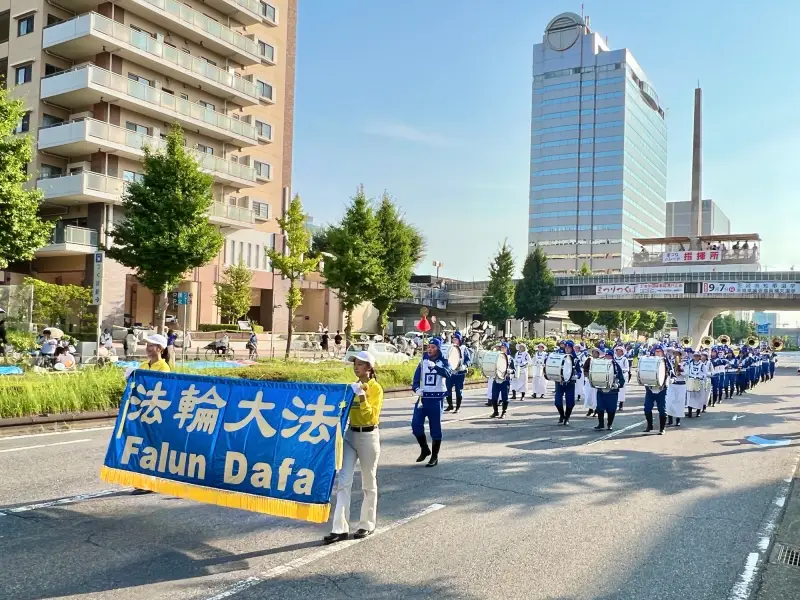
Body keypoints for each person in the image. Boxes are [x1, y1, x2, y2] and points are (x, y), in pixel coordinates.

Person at [325, 351, 384, 545]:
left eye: (360, 364)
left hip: (368, 436)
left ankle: (367, 524)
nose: (356, 367)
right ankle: (339, 528)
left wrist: (362, 397)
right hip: (350, 435)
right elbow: (340, 410)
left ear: (369, 367)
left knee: (368, 481)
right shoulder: (352, 387)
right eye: (355, 364)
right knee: (343, 481)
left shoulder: (375, 389)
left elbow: (371, 417)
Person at [411, 337, 451, 467]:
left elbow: (448, 374)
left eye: (433, 347)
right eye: (428, 347)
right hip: (423, 399)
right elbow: (416, 379)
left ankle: (434, 456)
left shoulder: (443, 362)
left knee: (435, 428)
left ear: (438, 349)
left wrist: (436, 368)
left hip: (436, 399)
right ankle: (424, 449)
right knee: (416, 425)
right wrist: (417, 389)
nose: (430, 349)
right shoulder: (423, 361)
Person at [594, 348, 626, 431]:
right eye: (606, 356)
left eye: (609, 356)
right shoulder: (601, 364)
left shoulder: (616, 366)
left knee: (611, 409)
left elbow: (622, 380)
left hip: (612, 392)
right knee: (599, 408)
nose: (607, 358)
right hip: (601, 390)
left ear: (612, 357)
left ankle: (609, 424)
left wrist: (618, 385)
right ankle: (601, 424)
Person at [643, 345, 672, 434]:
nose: (658, 353)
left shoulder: (666, 361)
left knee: (662, 410)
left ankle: (662, 428)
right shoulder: (649, 360)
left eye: (660, 351)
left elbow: (672, 374)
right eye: (656, 351)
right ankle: (649, 426)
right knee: (647, 409)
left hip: (662, 389)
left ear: (663, 352)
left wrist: (670, 380)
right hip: (650, 389)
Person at [445, 332, 471, 413]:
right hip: (451, 372)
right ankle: (450, 405)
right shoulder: (450, 348)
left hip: (460, 373)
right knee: (447, 389)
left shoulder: (464, 348)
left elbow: (468, 360)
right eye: (453, 339)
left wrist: (464, 366)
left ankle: (458, 407)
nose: (454, 341)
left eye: (456, 339)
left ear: (459, 340)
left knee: (458, 390)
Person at [554, 340, 579, 425]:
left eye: (569, 348)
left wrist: (577, 376)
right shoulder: (560, 357)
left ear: (572, 349)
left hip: (570, 383)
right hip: (560, 382)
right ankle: (562, 415)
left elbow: (579, 371)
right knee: (557, 401)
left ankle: (567, 417)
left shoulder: (575, 359)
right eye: (566, 348)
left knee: (570, 402)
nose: (567, 349)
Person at [489, 342, 516, 419]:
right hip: (496, 379)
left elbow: (514, 370)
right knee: (494, 397)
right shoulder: (496, 357)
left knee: (505, 397)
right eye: (502, 347)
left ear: (507, 349)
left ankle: (504, 412)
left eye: (504, 348)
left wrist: (510, 371)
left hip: (505, 380)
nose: (503, 349)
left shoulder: (510, 359)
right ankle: (495, 411)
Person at [665, 349, 685, 427]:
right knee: (669, 402)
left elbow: (687, 373)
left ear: (680, 355)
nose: (675, 355)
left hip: (681, 385)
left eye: (677, 354)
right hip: (672, 384)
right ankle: (670, 420)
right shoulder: (670, 363)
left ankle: (678, 420)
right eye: (674, 354)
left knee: (679, 403)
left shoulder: (684, 363)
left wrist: (681, 371)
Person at [685, 349, 706, 418]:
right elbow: (687, 372)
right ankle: (690, 412)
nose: (696, 357)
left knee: (699, 398)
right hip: (691, 381)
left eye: (698, 356)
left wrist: (700, 377)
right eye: (695, 356)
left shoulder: (702, 365)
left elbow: (705, 374)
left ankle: (698, 412)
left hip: (699, 382)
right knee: (690, 398)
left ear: (700, 357)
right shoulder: (690, 364)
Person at [583, 348, 599, 417]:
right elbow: (585, 368)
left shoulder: (601, 360)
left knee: (596, 395)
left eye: (596, 353)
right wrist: (587, 375)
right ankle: (590, 409)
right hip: (589, 379)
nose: (594, 354)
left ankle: (596, 409)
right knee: (589, 395)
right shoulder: (589, 359)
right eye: (593, 353)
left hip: (598, 380)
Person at [613, 346, 630, 410]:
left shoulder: (624, 359)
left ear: (622, 352)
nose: (618, 352)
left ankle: (621, 404)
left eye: (620, 351)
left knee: (622, 390)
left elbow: (627, 369)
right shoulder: (614, 359)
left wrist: (621, 370)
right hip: (614, 376)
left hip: (622, 376)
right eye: (617, 351)